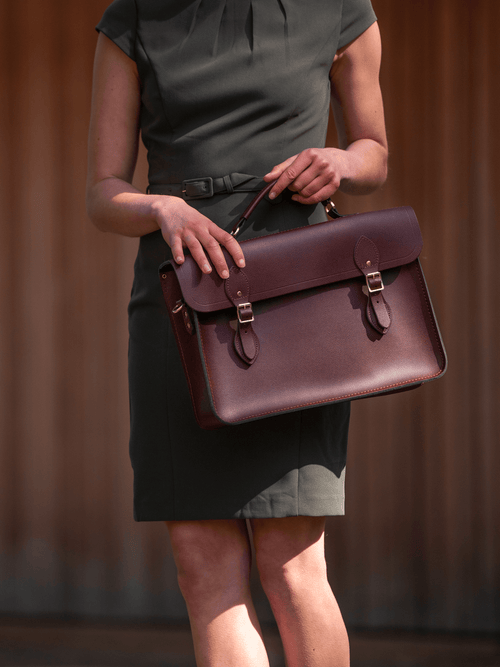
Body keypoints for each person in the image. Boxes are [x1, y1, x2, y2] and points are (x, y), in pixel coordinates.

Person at [86, 1, 388, 665]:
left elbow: (375, 152)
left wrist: (339, 161)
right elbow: (102, 193)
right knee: (203, 572)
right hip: (180, 303)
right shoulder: (134, 17)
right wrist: (159, 205)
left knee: (291, 562)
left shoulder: (339, 9)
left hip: (296, 304)